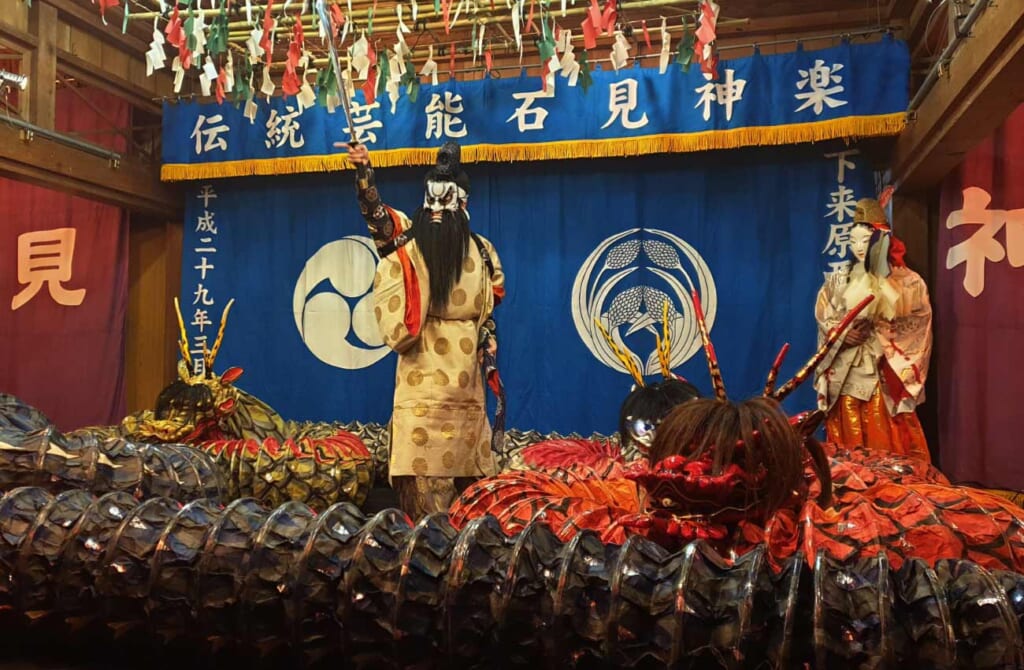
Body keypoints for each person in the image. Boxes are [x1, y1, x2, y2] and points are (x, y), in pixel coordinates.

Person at [343, 141, 505, 520]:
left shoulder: (483, 251)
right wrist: (364, 172)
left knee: (468, 484)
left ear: (463, 206)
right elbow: (377, 216)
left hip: (466, 383)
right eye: (429, 203)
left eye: (444, 203)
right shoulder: (408, 243)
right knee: (422, 487)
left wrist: (487, 340)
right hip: (420, 376)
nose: (435, 212)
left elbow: (490, 306)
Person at [814, 197, 932, 461]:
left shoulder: (910, 282)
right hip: (848, 376)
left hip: (885, 376)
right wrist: (842, 335)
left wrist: (879, 328)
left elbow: (919, 323)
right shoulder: (837, 281)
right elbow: (824, 318)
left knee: (891, 448)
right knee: (847, 449)